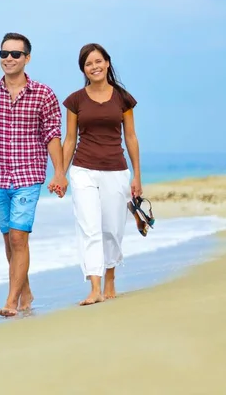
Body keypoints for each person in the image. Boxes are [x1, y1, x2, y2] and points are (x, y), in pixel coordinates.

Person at [0, 32, 67, 317]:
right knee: (9, 239)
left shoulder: (44, 94)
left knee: (19, 239)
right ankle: (25, 292)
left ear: (27, 58)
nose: (8, 58)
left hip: (29, 176)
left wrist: (59, 172)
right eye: (4, 53)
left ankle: (11, 301)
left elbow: (52, 135)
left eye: (15, 54)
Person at [61, 43, 142, 306]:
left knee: (112, 229)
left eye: (98, 61)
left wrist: (137, 176)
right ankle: (94, 287)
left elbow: (130, 136)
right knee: (89, 227)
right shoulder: (75, 100)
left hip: (116, 170)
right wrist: (60, 174)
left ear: (107, 63)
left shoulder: (123, 98)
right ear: (83, 69)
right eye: (88, 64)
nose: (94, 67)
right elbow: (70, 139)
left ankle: (110, 278)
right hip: (83, 169)